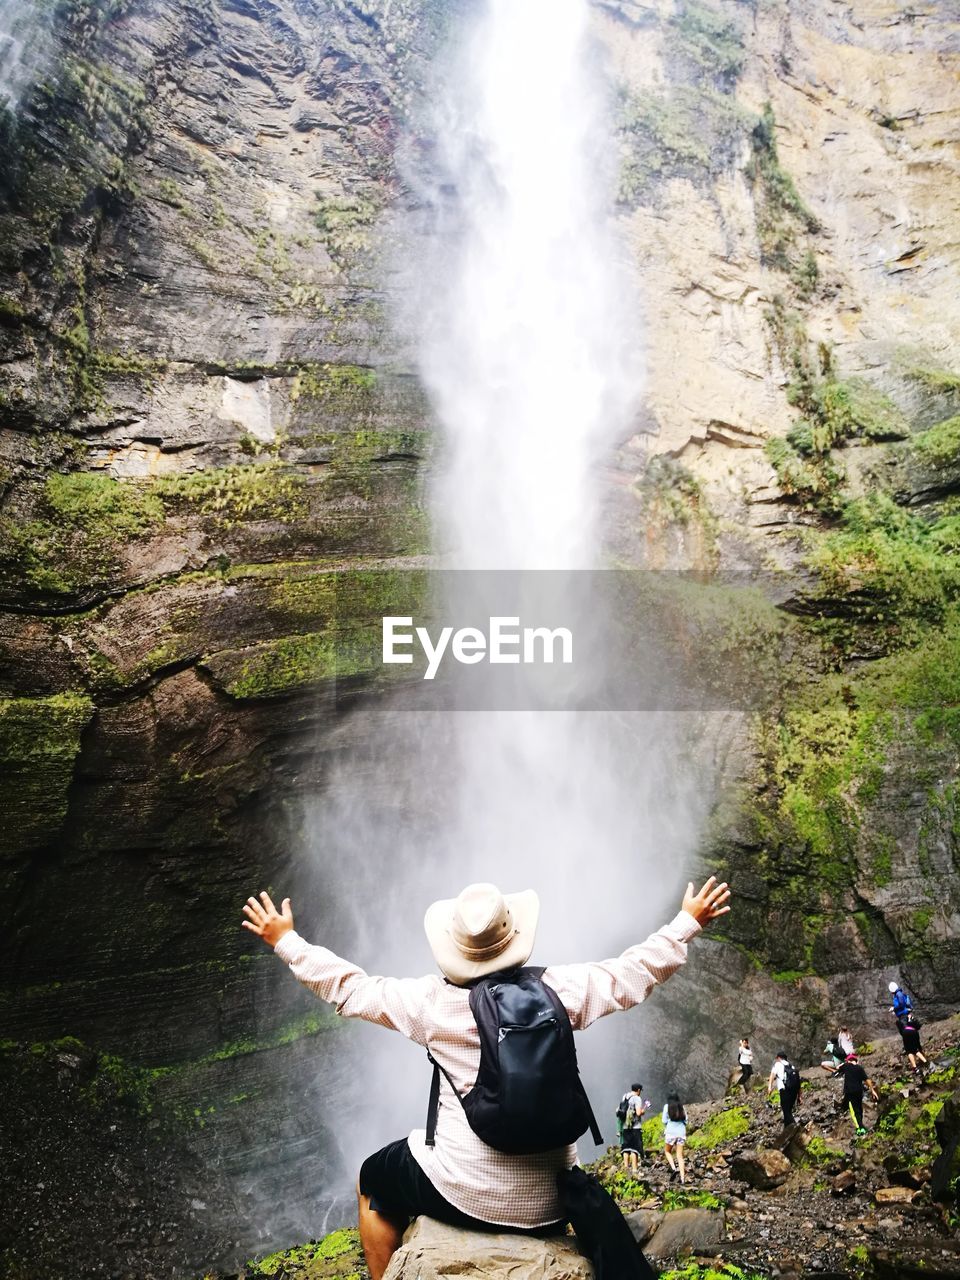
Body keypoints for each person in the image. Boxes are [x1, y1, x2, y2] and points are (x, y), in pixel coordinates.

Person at [241, 876, 731, 1280]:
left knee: (372, 1177)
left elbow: (350, 989)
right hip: (553, 1198)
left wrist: (284, 939)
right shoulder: (560, 990)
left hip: (464, 1193)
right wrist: (688, 921)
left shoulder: (433, 1005)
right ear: (513, 938)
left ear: (455, 948)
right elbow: (632, 974)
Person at [833, 1052, 879, 1135]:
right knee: (859, 1108)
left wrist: (842, 1064)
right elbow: (867, 1080)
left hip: (849, 1092)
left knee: (854, 1110)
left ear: (848, 1061)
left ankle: (859, 1128)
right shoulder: (860, 1068)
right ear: (856, 1061)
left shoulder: (846, 1066)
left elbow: (837, 1068)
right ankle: (861, 1126)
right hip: (859, 1091)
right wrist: (872, 1090)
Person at [620, 1084, 651, 1173]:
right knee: (635, 1148)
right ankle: (634, 1170)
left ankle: (625, 1170)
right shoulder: (637, 1098)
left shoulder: (625, 1096)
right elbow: (638, 1113)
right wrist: (643, 1111)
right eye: (640, 1090)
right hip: (635, 1127)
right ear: (638, 1090)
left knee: (625, 1148)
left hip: (625, 1126)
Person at [767, 1051, 801, 1126]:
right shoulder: (792, 1066)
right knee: (788, 1111)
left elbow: (772, 1075)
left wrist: (770, 1087)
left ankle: (797, 1128)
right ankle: (787, 1130)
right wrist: (799, 1096)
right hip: (794, 1092)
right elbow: (798, 1082)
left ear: (778, 1058)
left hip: (785, 1090)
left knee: (787, 1112)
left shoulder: (778, 1064)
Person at [662, 1093, 687, 1184]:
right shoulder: (681, 1107)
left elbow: (664, 1121)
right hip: (681, 1132)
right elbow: (686, 1120)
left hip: (671, 1132)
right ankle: (683, 1179)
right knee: (680, 1156)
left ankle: (673, 1168)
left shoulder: (666, 1106)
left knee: (667, 1151)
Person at [897, 1010, 928, 1075]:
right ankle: (925, 1061)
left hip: (906, 1031)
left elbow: (901, 1032)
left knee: (909, 1051)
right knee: (915, 1049)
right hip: (914, 1032)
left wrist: (905, 1038)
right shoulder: (911, 1017)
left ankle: (915, 1068)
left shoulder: (899, 1021)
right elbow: (917, 1042)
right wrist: (920, 1049)